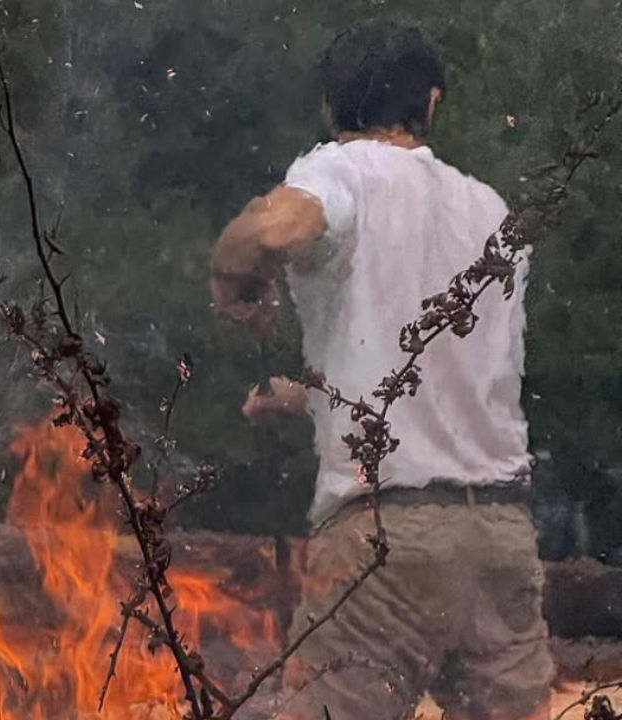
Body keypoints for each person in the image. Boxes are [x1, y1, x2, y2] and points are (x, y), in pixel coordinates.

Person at [209, 21, 553, 720]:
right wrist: (306, 396)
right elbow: (448, 385)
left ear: (331, 111)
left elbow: (271, 232)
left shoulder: (340, 172)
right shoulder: (491, 211)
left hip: (382, 540)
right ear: (430, 104)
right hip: (497, 536)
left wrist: (233, 279)